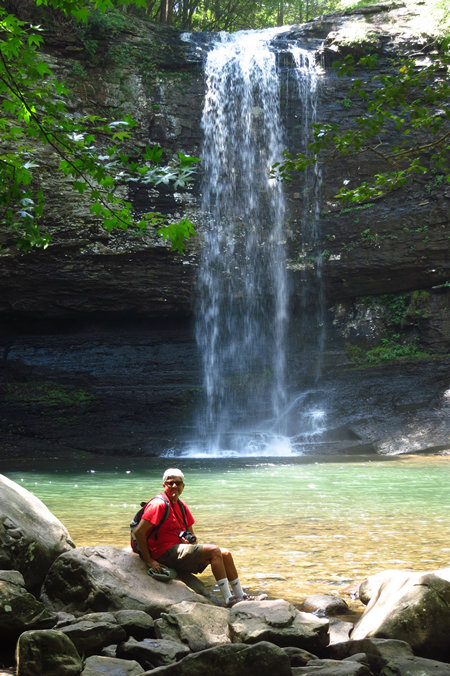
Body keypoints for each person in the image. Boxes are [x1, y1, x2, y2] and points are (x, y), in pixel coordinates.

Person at [133, 467, 257, 607]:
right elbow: (139, 532)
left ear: (183, 486)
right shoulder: (158, 504)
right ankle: (229, 599)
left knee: (225, 554)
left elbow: (193, 537)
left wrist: (189, 541)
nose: (174, 486)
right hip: (162, 553)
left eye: (178, 483)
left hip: (177, 550)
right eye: (170, 483)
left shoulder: (181, 506)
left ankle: (241, 596)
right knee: (214, 551)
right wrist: (150, 561)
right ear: (164, 485)